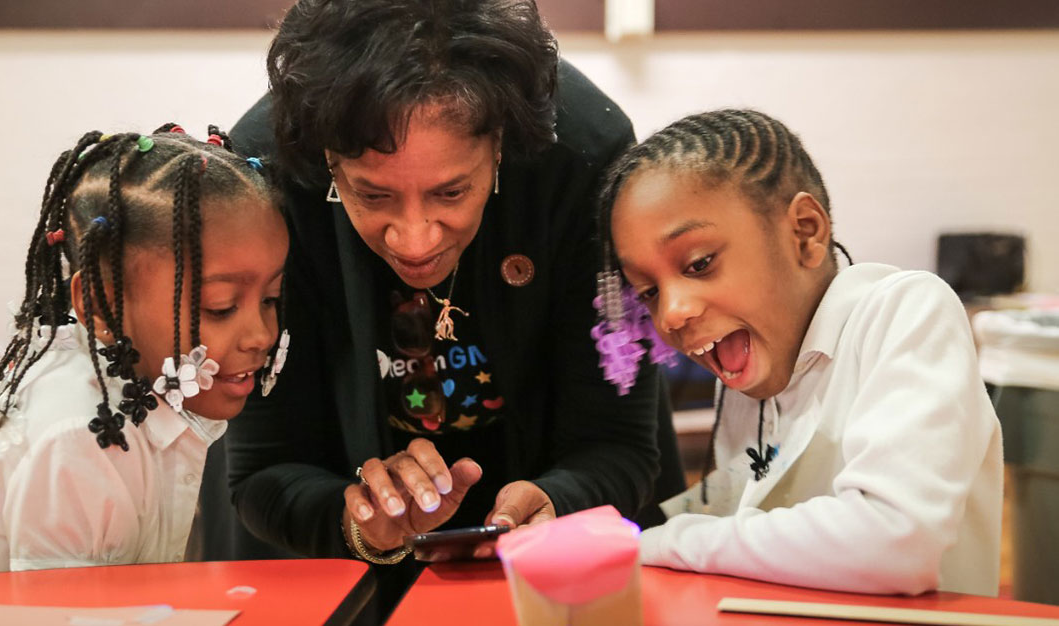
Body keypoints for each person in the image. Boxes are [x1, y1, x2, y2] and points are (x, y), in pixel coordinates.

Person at [217, 0, 683, 566]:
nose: (414, 241)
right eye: (373, 195)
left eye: (451, 192)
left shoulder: (582, 156)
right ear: (328, 163)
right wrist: (362, 520)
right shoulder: (271, 173)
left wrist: (560, 500)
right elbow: (264, 468)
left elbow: (617, 442)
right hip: (330, 565)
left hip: (557, 561)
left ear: (500, 148)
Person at [600, 108, 1003, 596]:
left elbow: (896, 540)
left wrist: (665, 541)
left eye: (699, 263)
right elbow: (736, 514)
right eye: (648, 291)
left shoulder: (906, 310)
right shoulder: (748, 377)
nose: (671, 314)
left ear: (806, 232)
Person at [0, 125, 288, 576]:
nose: (261, 334)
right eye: (221, 306)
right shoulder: (80, 435)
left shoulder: (137, 399)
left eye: (271, 298)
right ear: (101, 303)